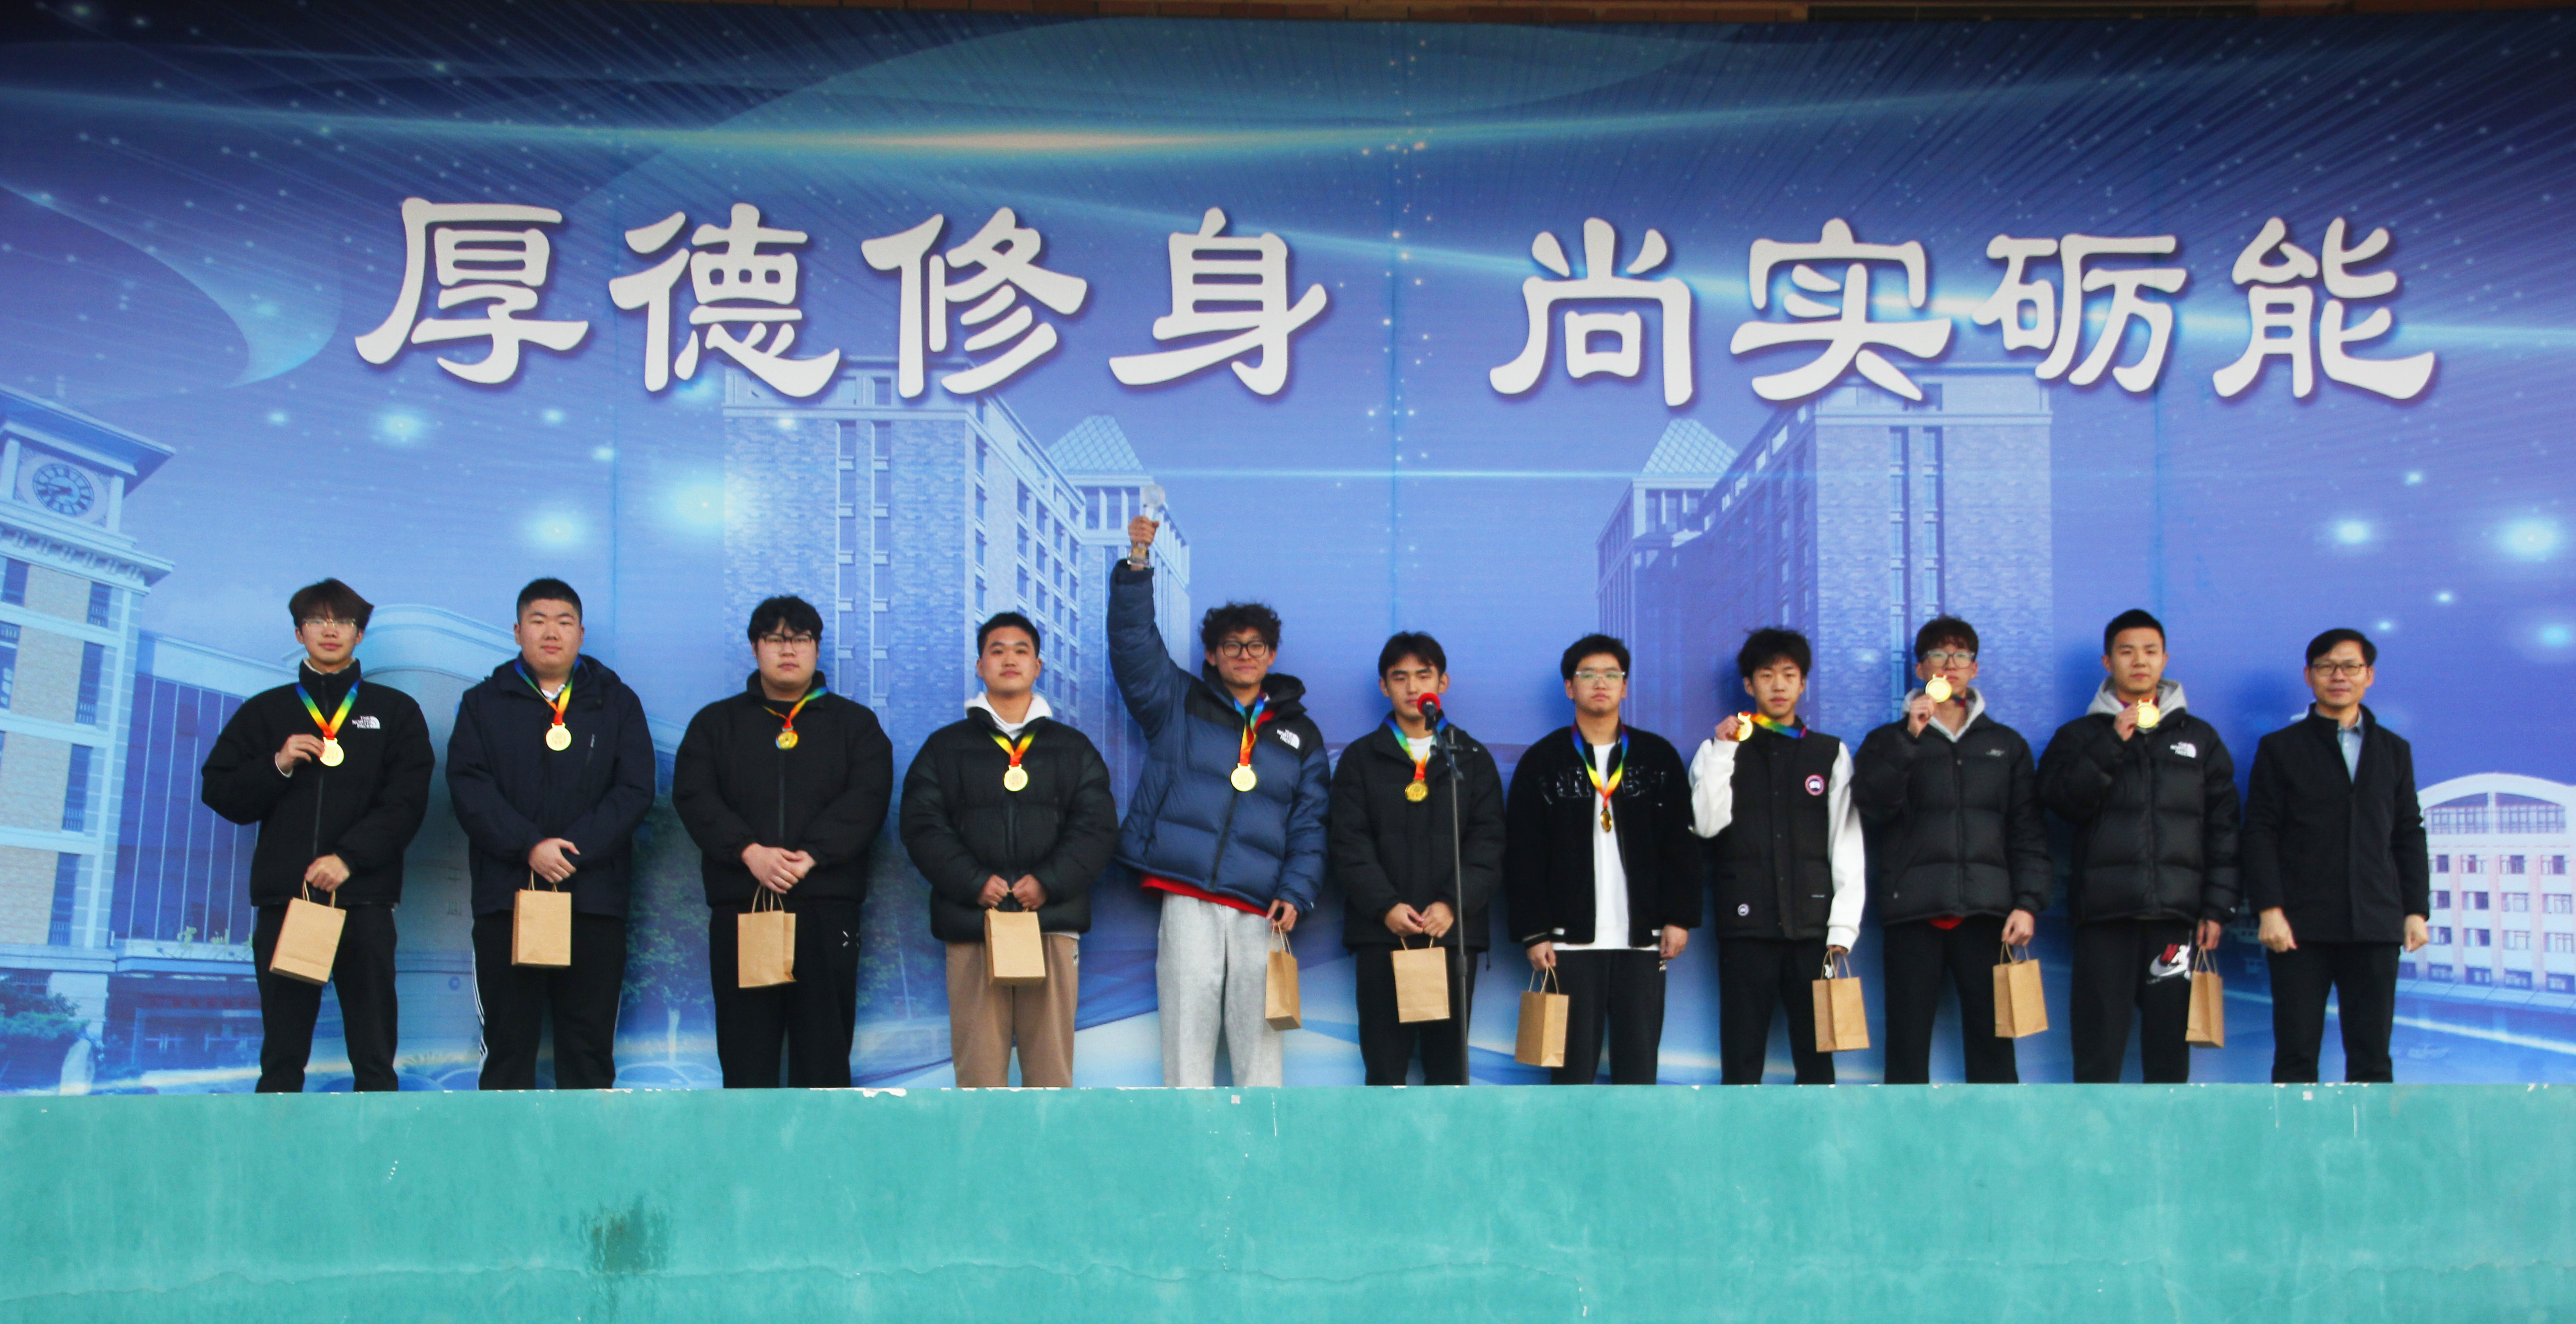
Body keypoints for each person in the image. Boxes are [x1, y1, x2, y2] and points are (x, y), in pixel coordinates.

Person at [1115, 513, 1329, 1088]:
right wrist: (1137, 565)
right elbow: (1134, 648)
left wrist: (1296, 892)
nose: (1244, 654)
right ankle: (1186, 1140)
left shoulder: (1300, 734)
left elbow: (1311, 824)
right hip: (1188, 893)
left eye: (1256, 645)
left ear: (1272, 655)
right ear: (1211, 655)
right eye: (1231, 645)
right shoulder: (1178, 702)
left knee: (1260, 1048)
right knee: (1186, 1040)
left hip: (1262, 904)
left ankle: (1262, 1142)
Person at [199, 579, 433, 1093]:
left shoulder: (396, 711)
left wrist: (348, 858)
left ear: (360, 634)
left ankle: (378, 1143)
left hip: (364, 901)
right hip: (289, 902)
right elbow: (219, 791)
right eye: (317, 620)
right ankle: (276, 1142)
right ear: (299, 632)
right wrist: (277, 764)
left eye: (343, 621)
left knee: (374, 1057)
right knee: (282, 1058)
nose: (331, 630)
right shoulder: (265, 711)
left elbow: (407, 802)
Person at [673, 595, 894, 1088]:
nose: (788, 649)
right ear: (755, 648)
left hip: (826, 907)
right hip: (744, 907)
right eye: (775, 639)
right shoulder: (716, 724)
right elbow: (693, 796)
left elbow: (869, 797)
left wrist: (813, 855)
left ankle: (825, 1143)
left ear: (816, 648)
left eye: (800, 639)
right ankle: (749, 1143)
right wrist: (748, 852)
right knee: (746, 1058)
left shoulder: (855, 725)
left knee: (824, 1058)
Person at [447, 579, 655, 1090]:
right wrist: (530, 847)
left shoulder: (617, 703)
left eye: (564, 622)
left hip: (593, 901)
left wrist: (572, 852)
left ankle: (586, 1146)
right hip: (508, 900)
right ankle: (504, 1145)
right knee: (508, 1046)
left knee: (588, 1049)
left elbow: (634, 790)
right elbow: (469, 787)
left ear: (581, 633)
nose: (551, 632)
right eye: (538, 621)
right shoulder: (483, 703)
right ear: (518, 631)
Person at [900, 612, 1116, 1088]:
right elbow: (922, 825)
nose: (1009, 659)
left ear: (1038, 666)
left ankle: (1049, 1144)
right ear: (980, 666)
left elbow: (1097, 828)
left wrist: (1049, 882)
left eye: (1021, 650)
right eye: (997, 651)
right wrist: (974, 882)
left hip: (1051, 921)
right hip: (975, 923)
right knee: (978, 1074)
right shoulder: (945, 748)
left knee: (1051, 1074)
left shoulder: (1072, 748)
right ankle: (981, 1145)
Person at [2037, 608, 2241, 1083]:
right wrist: (2113, 740)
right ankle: (2093, 1132)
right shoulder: (2079, 736)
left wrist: (2216, 909)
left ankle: (2169, 1133)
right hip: (2103, 918)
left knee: (2169, 1050)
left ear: (2164, 659)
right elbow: (2061, 804)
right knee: (2098, 1049)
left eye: (2150, 651)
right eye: (2127, 652)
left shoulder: (2199, 738)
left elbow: (2224, 828)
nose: (2140, 661)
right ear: (2108, 662)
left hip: (2174, 919)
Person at [1853, 616, 2050, 1084]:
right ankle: (1904, 1133)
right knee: (1907, 1047)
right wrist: (1910, 737)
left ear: (1974, 669)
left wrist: (2027, 904)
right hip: (1913, 912)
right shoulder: (1887, 740)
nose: (1950, 664)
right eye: (1939, 655)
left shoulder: (2006, 745)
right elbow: (1871, 808)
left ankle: (1997, 1132)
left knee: (1994, 1048)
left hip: (1988, 915)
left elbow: (2027, 831)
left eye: (1961, 655)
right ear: (1921, 668)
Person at [1506, 634, 1698, 1084]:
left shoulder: (1656, 757)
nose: (1601, 683)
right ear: (1569, 687)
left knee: (1639, 1073)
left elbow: (1680, 845)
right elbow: (1523, 854)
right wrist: (1534, 931)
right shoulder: (1543, 761)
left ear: (1625, 687)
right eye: (1588, 674)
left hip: (1643, 942)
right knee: (1570, 1077)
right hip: (1567, 945)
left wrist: (1679, 917)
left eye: (1612, 675)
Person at [2243, 628, 2430, 1084]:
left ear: (2369, 675)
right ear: (2309, 676)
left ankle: (2371, 1134)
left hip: (2375, 922)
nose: (2339, 676)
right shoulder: (2280, 748)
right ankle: (2295, 1133)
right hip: (2299, 927)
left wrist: (2415, 910)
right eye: (2326, 667)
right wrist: (2269, 909)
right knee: (2296, 1056)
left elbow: (2408, 833)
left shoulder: (2394, 750)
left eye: (2350, 666)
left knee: (2372, 1059)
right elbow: (2260, 833)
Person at [1329, 631, 1506, 1086]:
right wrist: (1386, 906)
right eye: (1400, 677)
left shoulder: (1471, 758)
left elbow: (1488, 844)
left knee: (1449, 1072)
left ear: (1442, 683)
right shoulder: (1361, 758)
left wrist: (1452, 904)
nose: (1413, 688)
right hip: (1382, 934)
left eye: (1423, 676)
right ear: (1384, 686)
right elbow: (1348, 843)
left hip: (1451, 937)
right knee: (1385, 1069)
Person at [1689, 627, 1864, 1085]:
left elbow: (1846, 842)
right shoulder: (1717, 749)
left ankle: (1820, 1134)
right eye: (1767, 675)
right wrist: (1724, 751)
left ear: (1803, 682)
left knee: (1817, 1060)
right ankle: (1739, 1134)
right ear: (1749, 685)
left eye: (1789, 674)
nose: (1779, 685)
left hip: (1814, 931)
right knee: (1742, 1058)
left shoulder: (1829, 753)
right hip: (1746, 928)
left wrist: (1843, 926)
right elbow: (1706, 825)